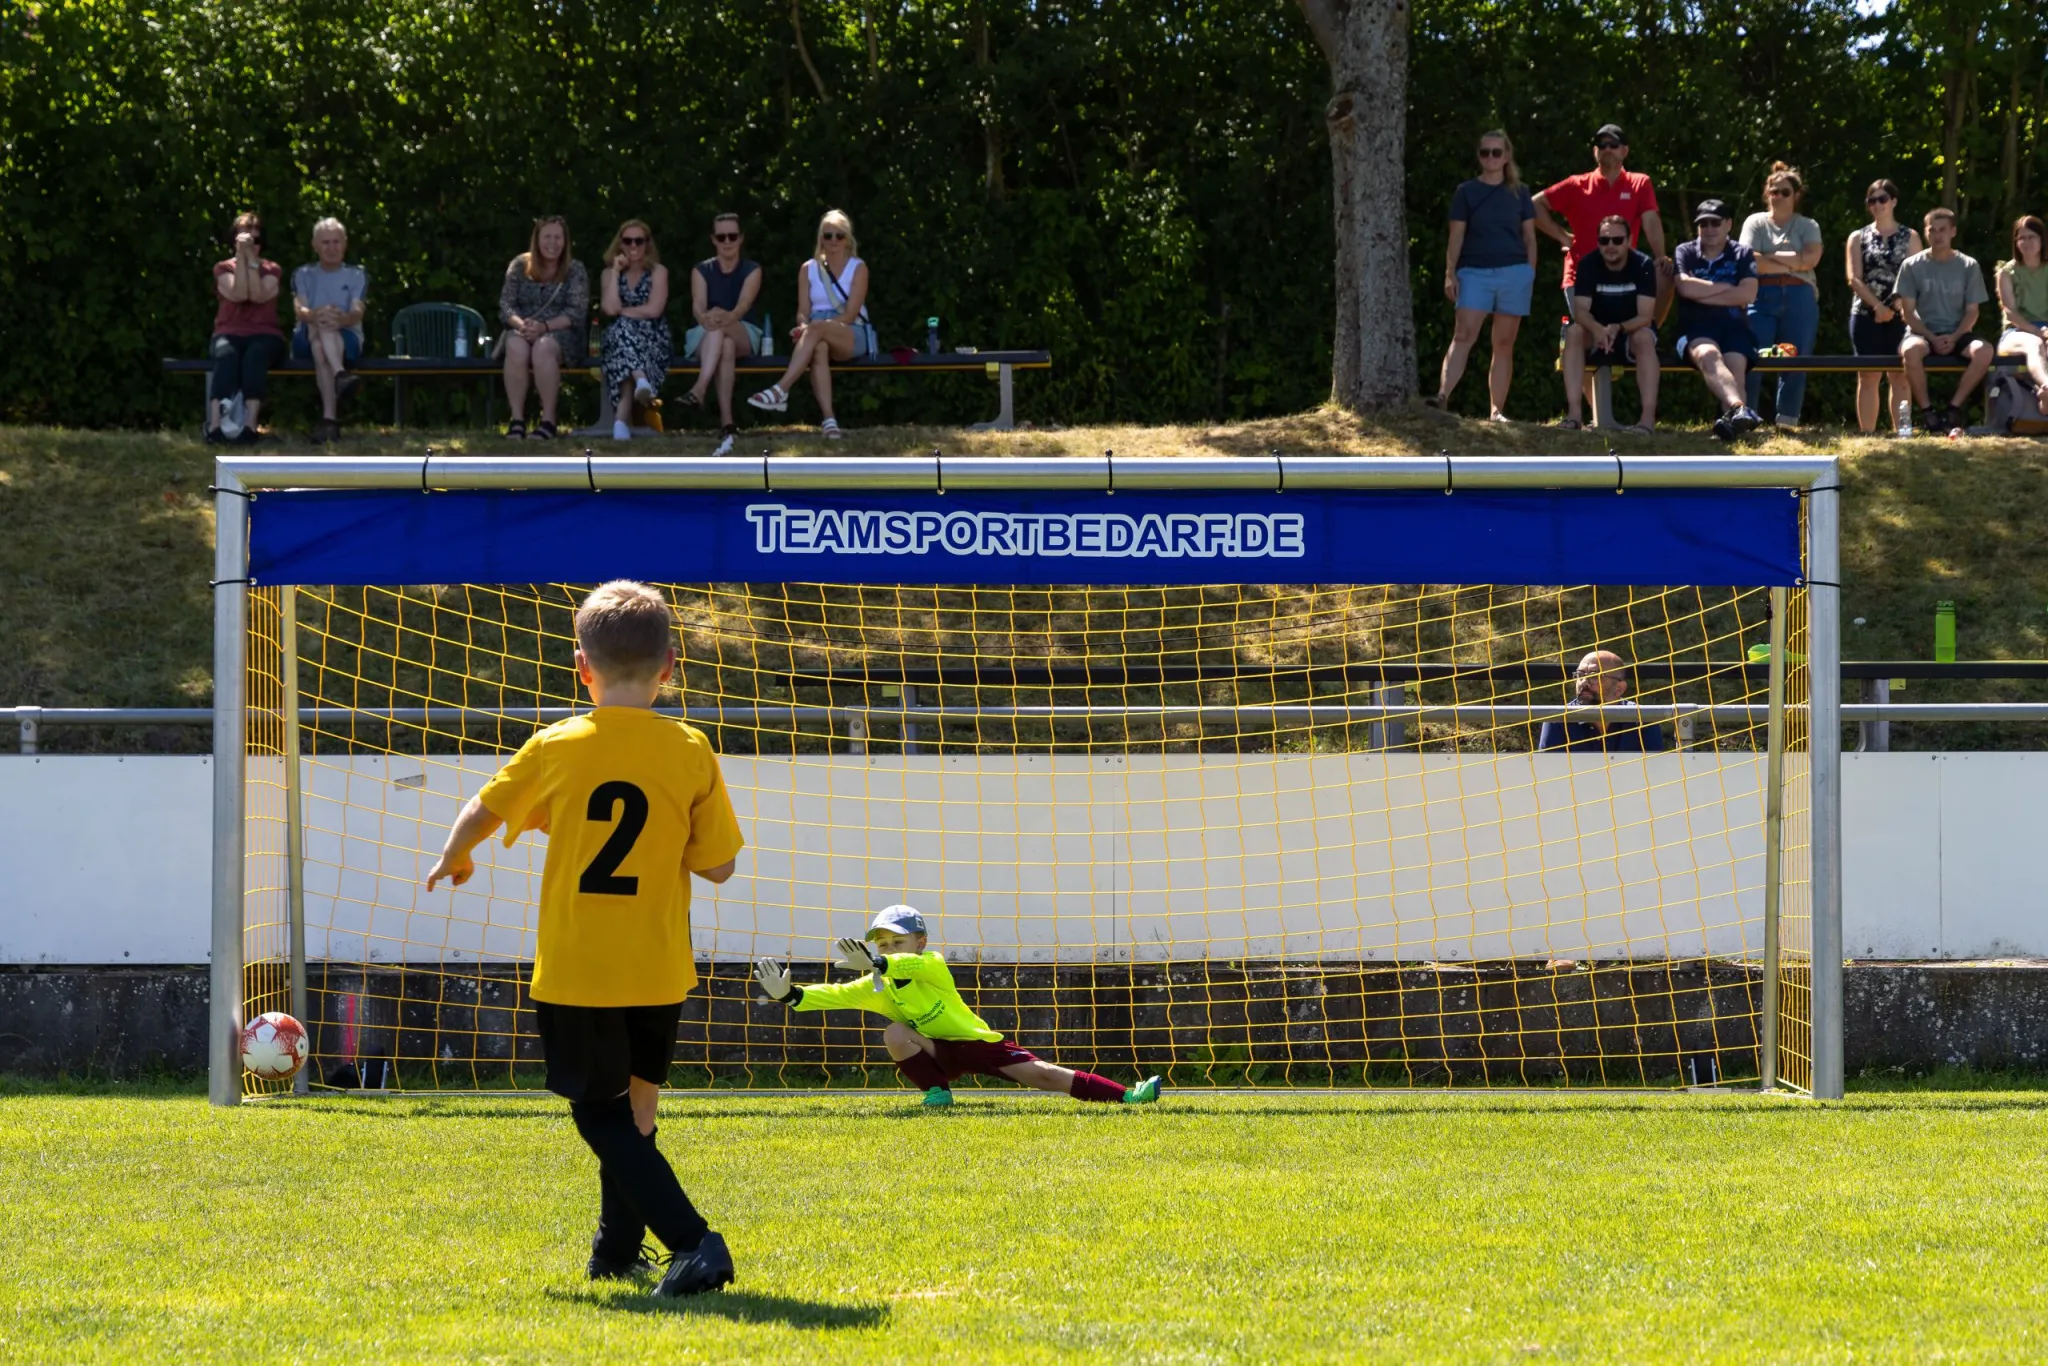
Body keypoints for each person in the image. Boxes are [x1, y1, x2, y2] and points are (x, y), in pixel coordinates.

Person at [425, 582, 743, 1297]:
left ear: (581, 667)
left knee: (598, 1114)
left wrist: (455, 854)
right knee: (637, 1112)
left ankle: (694, 1242)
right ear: (670, 667)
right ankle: (615, 1252)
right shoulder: (691, 748)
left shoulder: (558, 745)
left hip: (579, 968)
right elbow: (720, 867)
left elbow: (485, 806)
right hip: (658, 965)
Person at [751, 904, 1164, 1108]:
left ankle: (1130, 1096)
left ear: (920, 942)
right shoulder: (875, 986)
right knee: (895, 1033)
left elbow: (908, 965)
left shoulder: (931, 964)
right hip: (936, 1052)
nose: (889, 948)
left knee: (1046, 1075)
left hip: (979, 1045)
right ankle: (938, 1093)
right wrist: (789, 994)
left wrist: (879, 962)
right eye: (882, 944)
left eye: (898, 941)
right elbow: (829, 996)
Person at [1432, 131, 1536, 422]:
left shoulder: (1520, 192)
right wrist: (1450, 273)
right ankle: (1442, 397)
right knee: (1463, 335)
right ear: (1479, 156)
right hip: (1474, 273)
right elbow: (1456, 235)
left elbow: (1529, 237)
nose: (1491, 158)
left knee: (1503, 344)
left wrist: (1529, 272)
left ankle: (1496, 411)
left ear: (1506, 156)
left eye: (1496, 152)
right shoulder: (1466, 191)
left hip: (1514, 273)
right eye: (1485, 152)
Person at [746, 209, 876, 439]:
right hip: (816, 333)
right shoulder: (808, 268)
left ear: (848, 239)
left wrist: (814, 328)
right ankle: (829, 420)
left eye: (839, 235)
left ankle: (781, 389)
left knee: (816, 330)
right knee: (819, 347)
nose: (833, 240)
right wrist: (803, 325)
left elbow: (850, 314)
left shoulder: (858, 267)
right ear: (820, 238)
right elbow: (803, 311)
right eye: (828, 235)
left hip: (850, 331)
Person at [1533, 124, 1671, 301]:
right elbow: (1534, 205)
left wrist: (1660, 256)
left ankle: (1650, 321)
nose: (1607, 149)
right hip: (1581, 277)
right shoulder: (1576, 185)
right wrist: (1562, 236)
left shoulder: (1639, 183)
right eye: (1602, 145)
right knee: (1591, 321)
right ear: (1595, 152)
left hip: (1624, 277)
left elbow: (1650, 220)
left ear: (1625, 151)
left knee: (1664, 273)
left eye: (1613, 145)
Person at [1738, 163, 1823, 430]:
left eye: (1785, 192)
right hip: (1760, 294)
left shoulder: (1808, 225)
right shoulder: (1755, 222)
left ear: (1796, 195)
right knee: (1751, 356)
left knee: (1796, 359)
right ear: (1767, 194)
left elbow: (1812, 259)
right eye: (1773, 191)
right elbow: (1748, 260)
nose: (1778, 197)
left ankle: (1787, 422)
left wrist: (1769, 257)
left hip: (1800, 295)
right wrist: (1793, 262)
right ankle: (1744, 417)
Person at [1895, 207, 1993, 435]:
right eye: (1932, 230)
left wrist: (1955, 337)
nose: (1937, 235)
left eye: (1942, 230)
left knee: (1985, 351)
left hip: (1958, 332)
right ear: (1926, 233)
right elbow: (1907, 312)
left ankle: (1953, 408)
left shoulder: (1969, 265)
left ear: (1953, 232)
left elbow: (1972, 311)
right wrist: (1931, 337)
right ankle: (1928, 412)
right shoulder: (1911, 265)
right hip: (1923, 332)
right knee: (1910, 350)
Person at [1672, 199, 1763, 442]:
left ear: (1728, 224)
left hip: (1735, 327)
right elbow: (1685, 288)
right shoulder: (1685, 251)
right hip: (1695, 328)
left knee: (1736, 366)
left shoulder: (1742, 253)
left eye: (1715, 223)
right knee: (1708, 354)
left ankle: (1731, 431)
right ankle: (1739, 409)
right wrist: (1727, 288)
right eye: (1703, 224)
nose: (1709, 229)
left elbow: (1747, 294)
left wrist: (1702, 293)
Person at [1561, 215, 1659, 432]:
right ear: (1598, 242)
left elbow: (1645, 316)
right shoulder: (1587, 264)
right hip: (1596, 331)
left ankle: (1647, 420)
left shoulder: (1643, 265)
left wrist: (1618, 328)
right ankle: (1574, 416)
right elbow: (1580, 311)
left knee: (1645, 338)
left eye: (1617, 240)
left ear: (1629, 240)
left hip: (1631, 331)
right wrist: (1597, 329)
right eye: (1604, 241)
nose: (1611, 246)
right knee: (1574, 333)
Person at [497, 215, 589, 441]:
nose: (552, 243)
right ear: (537, 240)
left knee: (543, 347)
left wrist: (544, 326)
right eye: (547, 237)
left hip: (561, 332)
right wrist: (522, 325)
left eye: (558, 237)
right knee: (515, 346)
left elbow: (576, 312)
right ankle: (517, 421)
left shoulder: (575, 270)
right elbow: (506, 305)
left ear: (565, 241)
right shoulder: (519, 266)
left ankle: (548, 420)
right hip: (523, 328)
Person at [682, 213, 763, 456]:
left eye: (732, 236)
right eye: (721, 237)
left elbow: (743, 306)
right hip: (707, 331)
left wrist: (721, 316)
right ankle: (727, 422)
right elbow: (698, 305)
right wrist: (705, 318)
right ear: (713, 240)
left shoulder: (752, 269)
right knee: (724, 345)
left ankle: (699, 388)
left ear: (741, 239)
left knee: (723, 328)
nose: (727, 241)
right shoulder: (701, 270)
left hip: (742, 329)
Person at [1845, 180, 1922, 434]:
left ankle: (1903, 433)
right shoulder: (1857, 237)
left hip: (1902, 315)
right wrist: (1878, 306)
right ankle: (1867, 435)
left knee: (1900, 376)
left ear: (1894, 201)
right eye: (1872, 200)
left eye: (1882, 199)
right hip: (1865, 314)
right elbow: (1853, 278)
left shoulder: (1911, 237)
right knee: (1868, 375)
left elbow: (1916, 277)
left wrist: (1898, 304)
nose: (1877, 204)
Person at [205, 211, 285, 445]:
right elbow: (239, 294)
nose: (251, 245)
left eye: (256, 241)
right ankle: (215, 427)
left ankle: (250, 427)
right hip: (228, 332)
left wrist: (250, 260)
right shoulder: (223, 269)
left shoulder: (272, 269)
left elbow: (258, 296)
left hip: (265, 334)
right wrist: (242, 259)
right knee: (225, 355)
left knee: (255, 357)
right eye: (245, 240)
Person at [290, 218, 368, 444]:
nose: (331, 248)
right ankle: (340, 375)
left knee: (320, 347)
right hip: (306, 336)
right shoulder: (303, 274)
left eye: (336, 242)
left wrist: (341, 319)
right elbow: (300, 310)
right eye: (325, 242)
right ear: (315, 245)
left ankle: (329, 420)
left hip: (346, 337)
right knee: (319, 326)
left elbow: (357, 311)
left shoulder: (356, 275)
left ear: (345, 244)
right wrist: (318, 314)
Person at [599, 220, 672, 443]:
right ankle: (641, 382)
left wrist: (624, 313)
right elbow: (609, 308)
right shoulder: (609, 274)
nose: (633, 246)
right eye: (628, 241)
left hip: (653, 337)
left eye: (639, 241)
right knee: (623, 339)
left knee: (623, 339)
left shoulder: (658, 272)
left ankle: (620, 420)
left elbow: (654, 310)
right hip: (619, 339)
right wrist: (615, 272)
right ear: (620, 244)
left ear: (647, 244)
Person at [1536, 651, 1668, 753]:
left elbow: (1655, 771)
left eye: (1595, 676)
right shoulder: (1558, 720)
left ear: (1619, 688)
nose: (1584, 682)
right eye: (1580, 675)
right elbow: (1548, 772)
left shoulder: (1644, 719)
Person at [1994, 215, 2048, 418]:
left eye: (2031, 237)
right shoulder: (2007, 272)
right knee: (2035, 344)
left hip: (2046, 329)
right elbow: (2010, 312)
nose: (2026, 242)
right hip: (2016, 332)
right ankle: (2047, 387)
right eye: (2021, 238)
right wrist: (2037, 331)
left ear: (2042, 239)